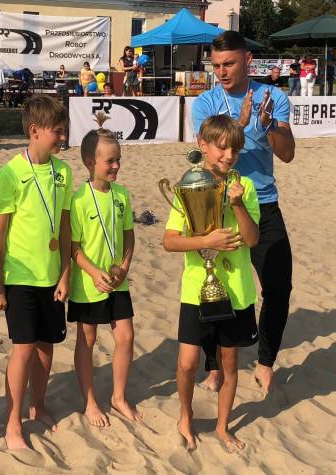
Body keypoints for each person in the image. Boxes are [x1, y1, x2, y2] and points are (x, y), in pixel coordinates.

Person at [191, 30, 295, 398]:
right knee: (213, 288)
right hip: (219, 205)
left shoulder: (273, 97)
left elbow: (287, 154)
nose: (221, 72)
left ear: (247, 60)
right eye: (216, 65)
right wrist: (240, 124)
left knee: (278, 287)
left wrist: (267, 125)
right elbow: (208, 156)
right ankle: (214, 366)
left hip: (263, 203)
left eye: (229, 64)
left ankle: (265, 362)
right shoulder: (205, 103)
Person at [163, 114, 260, 451]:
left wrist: (237, 204)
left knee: (230, 364)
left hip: (236, 291)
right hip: (196, 290)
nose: (229, 156)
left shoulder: (245, 187)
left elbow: (252, 239)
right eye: (222, 148)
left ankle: (222, 427)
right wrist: (207, 242)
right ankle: (185, 415)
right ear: (203, 145)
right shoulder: (189, 185)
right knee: (187, 363)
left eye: (235, 150)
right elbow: (169, 240)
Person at [0, 94, 72, 450]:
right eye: (57, 131)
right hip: (19, 276)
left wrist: (65, 273)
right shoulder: (11, 173)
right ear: (35, 131)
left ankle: (37, 405)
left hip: (51, 276)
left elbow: (65, 227)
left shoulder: (64, 171)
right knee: (23, 349)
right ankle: (12, 422)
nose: (63, 137)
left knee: (46, 347)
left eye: (64, 131)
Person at [69, 128, 139, 427]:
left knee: (126, 337)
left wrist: (124, 266)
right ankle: (90, 401)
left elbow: (129, 235)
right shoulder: (79, 199)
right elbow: (73, 247)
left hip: (117, 282)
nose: (116, 166)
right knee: (87, 339)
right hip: (89, 284)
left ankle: (118, 397)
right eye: (110, 161)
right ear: (90, 162)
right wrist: (93, 272)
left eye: (118, 159)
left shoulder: (122, 194)